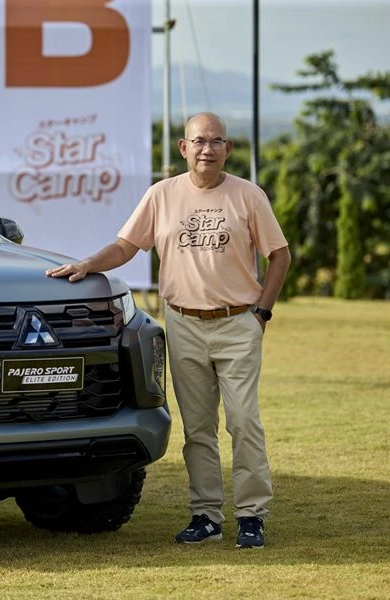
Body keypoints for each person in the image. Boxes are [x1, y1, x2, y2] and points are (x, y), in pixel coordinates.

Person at [46, 112, 291, 549]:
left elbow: (280, 255)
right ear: (184, 147)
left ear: (228, 149)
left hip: (237, 323)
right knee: (197, 428)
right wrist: (87, 264)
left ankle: (252, 516)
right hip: (183, 325)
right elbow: (126, 245)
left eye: (216, 141)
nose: (207, 149)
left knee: (243, 423)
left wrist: (261, 314)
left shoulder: (248, 195)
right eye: (199, 141)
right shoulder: (161, 195)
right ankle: (206, 516)